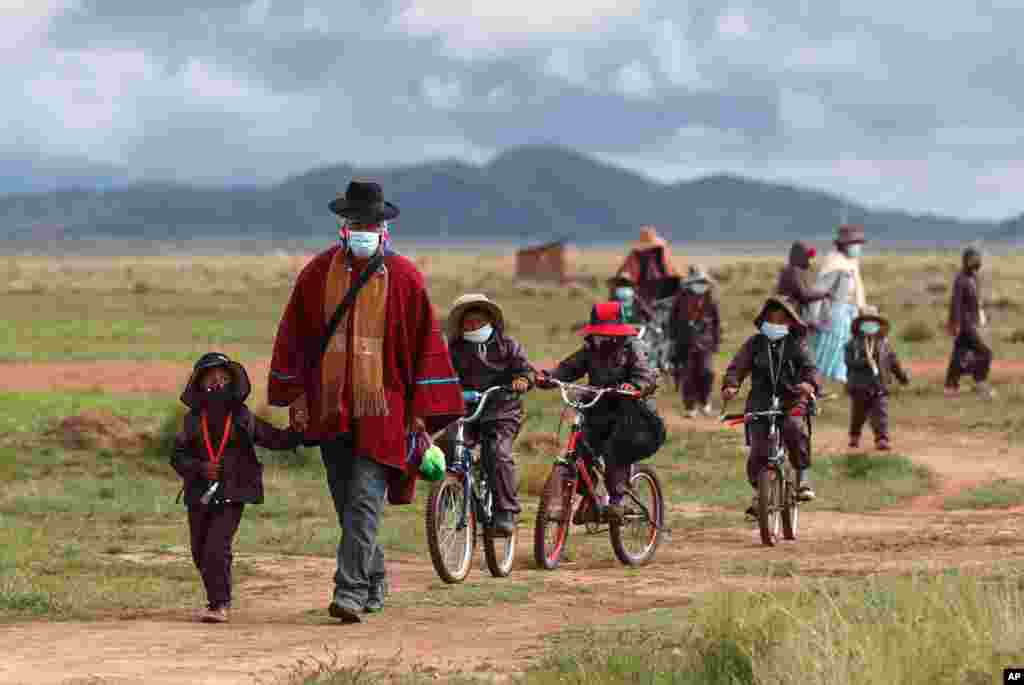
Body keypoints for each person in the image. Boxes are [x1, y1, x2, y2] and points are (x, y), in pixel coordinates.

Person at [268, 180, 463, 623]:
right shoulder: (316, 275)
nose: (363, 230)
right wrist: (295, 395)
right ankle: (374, 576)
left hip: (386, 413)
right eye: (356, 223)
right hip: (329, 408)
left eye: (370, 224)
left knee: (362, 502)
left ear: (384, 228)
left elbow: (425, 347)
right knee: (345, 503)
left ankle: (350, 592)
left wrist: (420, 413)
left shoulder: (407, 279)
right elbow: (292, 338)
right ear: (343, 226)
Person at [171, 353, 302, 623]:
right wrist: (199, 467)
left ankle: (220, 605)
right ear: (199, 382)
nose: (217, 382)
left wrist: (299, 432)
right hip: (199, 494)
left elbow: (273, 438)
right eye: (210, 377)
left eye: (223, 377)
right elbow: (177, 457)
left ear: (232, 381)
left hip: (233, 492)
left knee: (216, 548)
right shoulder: (192, 420)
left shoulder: (241, 417)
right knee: (200, 552)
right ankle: (215, 599)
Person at [536, 302, 658, 522]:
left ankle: (617, 501)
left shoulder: (633, 347)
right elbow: (568, 368)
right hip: (596, 407)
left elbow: (645, 374)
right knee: (582, 450)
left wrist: (634, 386)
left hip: (627, 410)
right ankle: (590, 500)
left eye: (608, 332)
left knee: (616, 450)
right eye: (599, 331)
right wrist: (548, 377)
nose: (603, 336)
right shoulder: (590, 349)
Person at [441, 294, 533, 536]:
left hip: (502, 411)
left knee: (498, 453)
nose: (473, 327)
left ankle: (505, 513)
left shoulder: (508, 345)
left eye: (478, 322)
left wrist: (522, 380)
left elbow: (525, 370)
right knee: (447, 442)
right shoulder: (454, 350)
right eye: (467, 324)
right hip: (466, 411)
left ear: (490, 321)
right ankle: (450, 492)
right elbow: (442, 375)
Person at [721, 297, 820, 518]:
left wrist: (808, 384)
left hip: (792, 399)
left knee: (794, 429)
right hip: (760, 401)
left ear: (790, 322)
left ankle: (802, 478)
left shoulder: (797, 343)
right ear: (763, 320)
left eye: (781, 319)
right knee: (758, 449)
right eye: (770, 319)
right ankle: (761, 495)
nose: (775, 324)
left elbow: (810, 367)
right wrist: (731, 384)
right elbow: (738, 366)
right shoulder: (754, 344)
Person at [807, 225, 868, 384]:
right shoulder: (835, 264)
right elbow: (819, 291)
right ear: (844, 245)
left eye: (858, 243)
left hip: (848, 313)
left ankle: (837, 383)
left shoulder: (851, 263)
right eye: (854, 243)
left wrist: (861, 310)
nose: (857, 247)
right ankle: (818, 384)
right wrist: (813, 317)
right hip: (834, 313)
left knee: (844, 349)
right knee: (828, 349)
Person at [844, 306, 910, 451]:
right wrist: (865, 361)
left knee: (880, 412)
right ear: (860, 325)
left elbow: (893, 362)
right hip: (859, 387)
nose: (870, 325)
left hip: (879, 386)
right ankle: (854, 436)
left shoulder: (884, 344)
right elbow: (848, 363)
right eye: (866, 322)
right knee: (858, 414)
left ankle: (881, 439)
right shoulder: (852, 345)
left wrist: (902, 377)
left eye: (872, 322)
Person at [669, 265, 721, 418]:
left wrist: (716, 341)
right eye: (699, 281)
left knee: (707, 372)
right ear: (692, 282)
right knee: (688, 376)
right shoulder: (681, 297)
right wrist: (673, 340)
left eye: (704, 282)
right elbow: (673, 320)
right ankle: (690, 408)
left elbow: (716, 322)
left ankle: (705, 403)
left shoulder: (710, 298)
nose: (701, 285)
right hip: (685, 342)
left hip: (706, 343)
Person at [945, 246, 995, 399]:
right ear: (965, 261)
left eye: (978, 259)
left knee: (958, 355)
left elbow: (976, 302)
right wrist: (955, 324)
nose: (976, 262)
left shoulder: (974, 278)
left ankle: (951, 386)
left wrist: (982, 317)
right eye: (973, 259)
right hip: (965, 325)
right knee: (985, 353)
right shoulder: (961, 280)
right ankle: (980, 383)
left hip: (972, 323)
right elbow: (956, 303)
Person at [615, 225, 680, 304]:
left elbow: (624, 273)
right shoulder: (660, 251)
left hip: (650, 290)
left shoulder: (638, 254)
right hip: (660, 290)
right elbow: (672, 270)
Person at [776, 241, 830, 325]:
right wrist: (824, 294)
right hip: (788, 318)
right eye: (806, 257)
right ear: (798, 257)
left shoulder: (794, 270)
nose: (808, 261)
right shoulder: (793, 271)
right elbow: (804, 295)